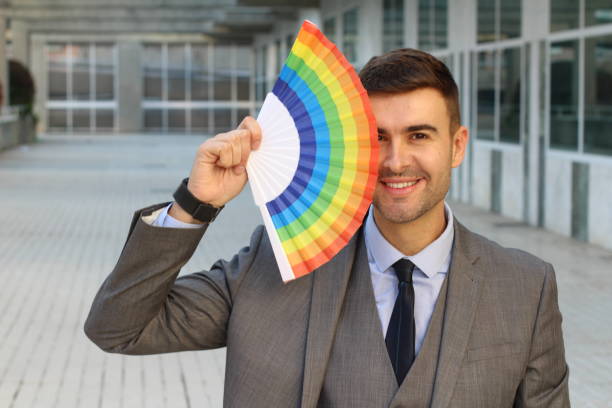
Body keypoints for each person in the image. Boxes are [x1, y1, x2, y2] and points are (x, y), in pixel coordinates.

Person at [85, 48, 569, 407]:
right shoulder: (271, 266)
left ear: (457, 146)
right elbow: (118, 328)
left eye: (419, 135)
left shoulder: (526, 288)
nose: (397, 161)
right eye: (377, 138)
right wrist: (195, 204)